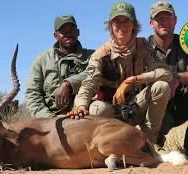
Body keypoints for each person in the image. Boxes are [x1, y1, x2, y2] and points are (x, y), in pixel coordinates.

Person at [68, 2, 172, 143]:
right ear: (110, 25)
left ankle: (150, 143)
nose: (121, 26)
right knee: (96, 109)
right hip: (112, 110)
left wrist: (133, 80)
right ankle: (109, 146)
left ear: (134, 25)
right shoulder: (100, 55)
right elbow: (88, 83)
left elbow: (166, 73)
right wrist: (80, 106)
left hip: (137, 104)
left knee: (161, 86)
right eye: (117, 21)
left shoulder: (144, 46)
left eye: (126, 21)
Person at [148, 1, 188, 159]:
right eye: (159, 18)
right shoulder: (143, 46)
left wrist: (176, 79)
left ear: (175, 20)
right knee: (150, 151)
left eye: (167, 17)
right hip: (154, 110)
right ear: (151, 23)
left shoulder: (187, 44)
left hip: (180, 107)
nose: (164, 22)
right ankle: (153, 143)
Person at [26, 15, 94, 118]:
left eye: (72, 30)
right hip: (51, 119)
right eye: (63, 31)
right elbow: (33, 93)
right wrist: (48, 119)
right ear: (56, 35)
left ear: (78, 32)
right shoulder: (42, 60)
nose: (68, 34)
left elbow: (93, 72)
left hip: (82, 115)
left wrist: (69, 84)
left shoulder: (92, 56)